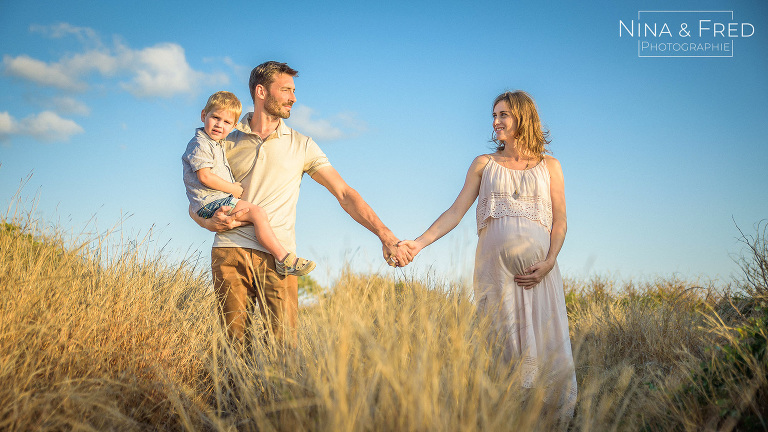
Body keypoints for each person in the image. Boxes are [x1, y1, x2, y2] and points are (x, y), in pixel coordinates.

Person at [190, 61, 412, 343]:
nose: (293, 98)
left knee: (284, 350)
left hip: (281, 258)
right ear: (261, 92)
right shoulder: (224, 139)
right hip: (229, 252)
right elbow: (194, 195)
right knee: (234, 351)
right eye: (285, 90)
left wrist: (385, 234)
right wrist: (207, 221)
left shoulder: (302, 144)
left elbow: (344, 193)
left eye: (293, 90)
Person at [401, 91, 577, 417]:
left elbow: (561, 221)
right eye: (494, 115)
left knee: (544, 347)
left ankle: (550, 422)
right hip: (494, 276)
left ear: (522, 117)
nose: (495, 122)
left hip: (539, 277)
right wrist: (419, 243)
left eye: (503, 115)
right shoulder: (484, 164)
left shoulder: (551, 166)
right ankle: (504, 418)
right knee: (502, 347)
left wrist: (550, 261)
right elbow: (455, 212)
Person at [182, 91, 316, 277]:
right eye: (215, 118)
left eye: (227, 122)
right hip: (212, 202)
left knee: (251, 217)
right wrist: (233, 189)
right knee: (258, 213)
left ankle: (278, 256)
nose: (219, 125)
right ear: (204, 115)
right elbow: (204, 177)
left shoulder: (217, 143)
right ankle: (284, 258)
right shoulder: (200, 144)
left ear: (235, 126)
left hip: (211, 203)